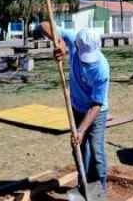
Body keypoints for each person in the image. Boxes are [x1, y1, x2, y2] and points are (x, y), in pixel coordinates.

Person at [40, 22, 110, 193]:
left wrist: (82, 129)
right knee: (79, 148)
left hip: (96, 111)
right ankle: (84, 185)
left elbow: (96, 104)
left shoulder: (102, 69)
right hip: (76, 107)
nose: (86, 62)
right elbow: (43, 25)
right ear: (76, 45)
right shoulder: (73, 39)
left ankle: (100, 189)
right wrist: (60, 44)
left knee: (96, 150)